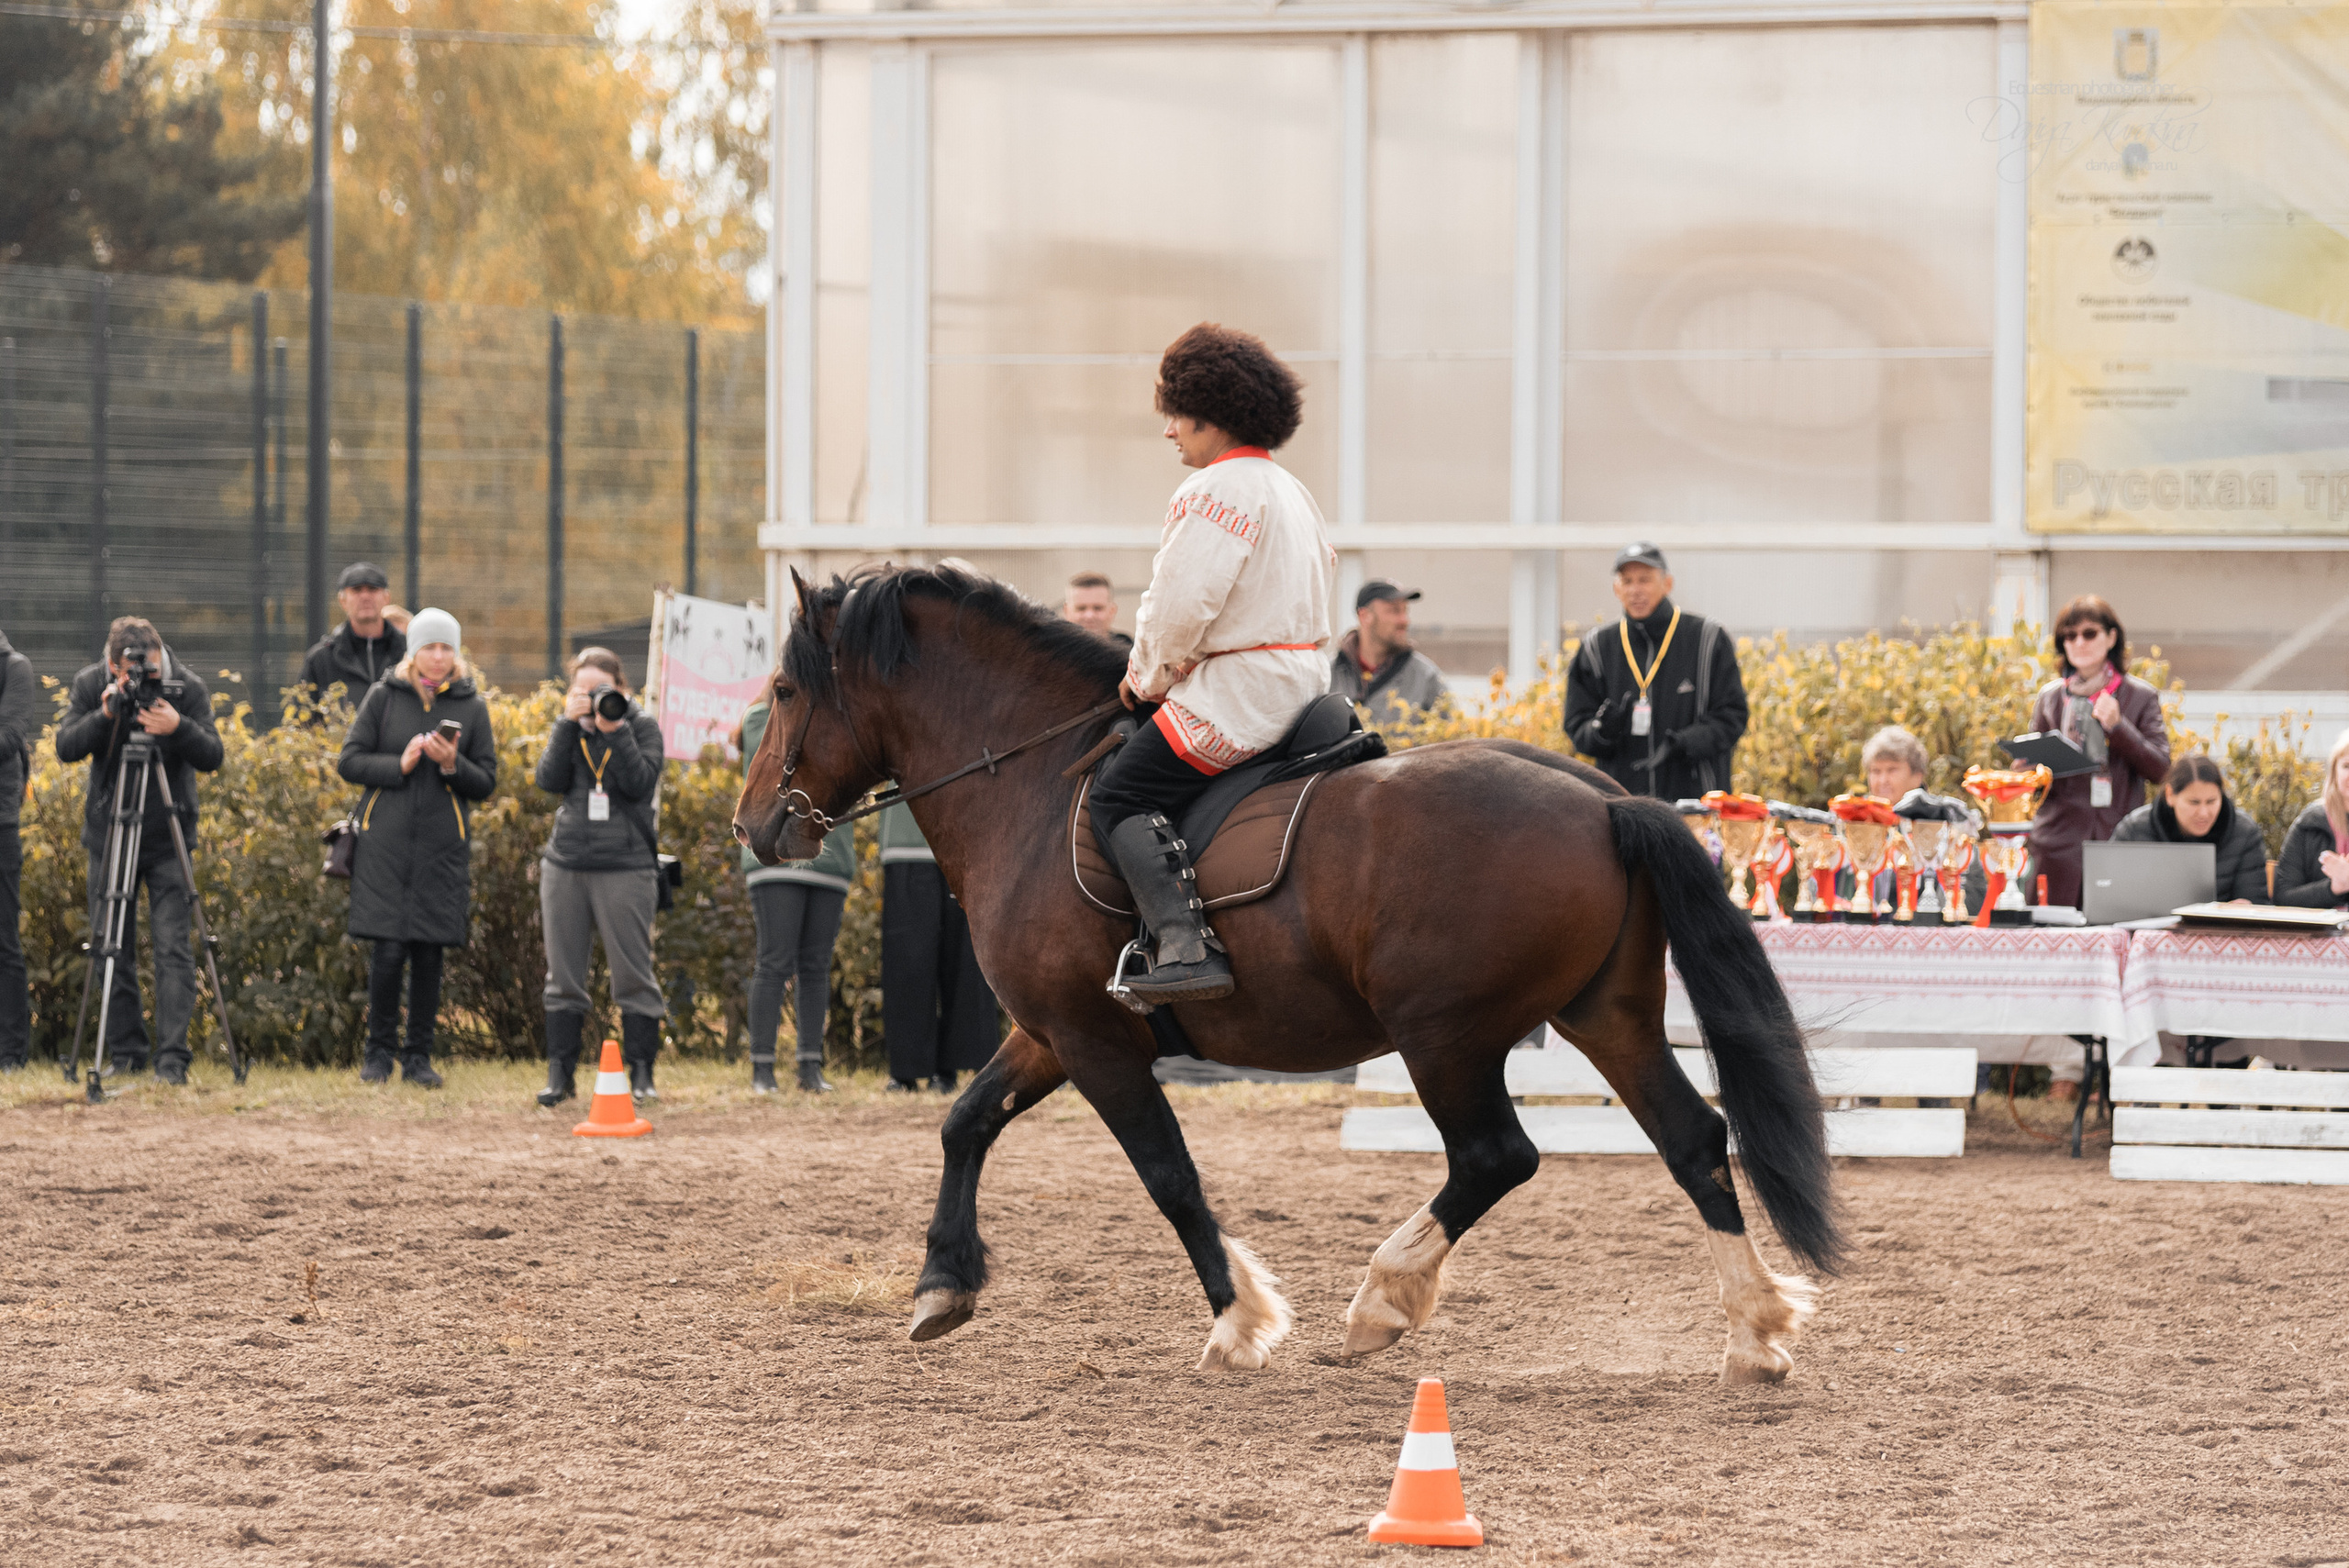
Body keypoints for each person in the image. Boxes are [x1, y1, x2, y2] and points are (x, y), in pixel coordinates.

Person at [1091, 321, 1336, 1004]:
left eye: (1175, 414)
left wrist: (1142, 681)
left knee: (1117, 793)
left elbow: (1177, 610)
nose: (1169, 430)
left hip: (1240, 694)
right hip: (1304, 682)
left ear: (1210, 412)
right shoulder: (1291, 489)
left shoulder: (1212, 491)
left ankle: (1183, 944)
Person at [51, 617, 223, 1083]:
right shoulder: (93, 684)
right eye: (123, 672)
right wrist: (105, 714)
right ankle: (127, 1054)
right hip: (110, 836)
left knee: (172, 949)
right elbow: (65, 746)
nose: (135, 680)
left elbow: (212, 755)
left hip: (168, 837)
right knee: (112, 948)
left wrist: (177, 725)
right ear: (111, 665)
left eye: (143, 669)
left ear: (159, 655)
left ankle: (172, 1060)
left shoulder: (186, 686)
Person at [336, 609, 496, 1088]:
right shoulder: (384, 697)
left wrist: (452, 765)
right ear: (414, 651)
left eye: (447, 648)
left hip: (441, 851)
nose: (439, 656)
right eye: (430, 646)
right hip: (383, 847)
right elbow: (350, 760)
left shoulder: (473, 706)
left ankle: (419, 1058)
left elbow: (486, 781)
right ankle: (378, 1056)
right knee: (386, 953)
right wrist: (398, 763)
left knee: (429, 955)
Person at [533, 648, 666, 1106]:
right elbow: (548, 780)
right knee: (563, 975)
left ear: (622, 690)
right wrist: (567, 726)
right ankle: (560, 1076)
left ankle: (643, 1073)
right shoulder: (570, 728)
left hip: (626, 866)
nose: (593, 700)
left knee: (633, 973)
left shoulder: (642, 726)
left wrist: (616, 732)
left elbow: (640, 783)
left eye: (601, 691)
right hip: (566, 862)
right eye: (582, 692)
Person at [1564, 543, 1748, 801]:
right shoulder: (1597, 647)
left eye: (1645, 580)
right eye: (1627, 581)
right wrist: (1601, 731)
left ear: (1668, 583)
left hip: (1694, 806)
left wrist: (1683, 743)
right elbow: (1576, 726)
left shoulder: (1707, 638)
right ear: (1617, 589)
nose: (1635, 590)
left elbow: (1733, 717)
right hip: (1622, 808)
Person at [2023, 595, 2170, 910]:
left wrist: (2119, 727)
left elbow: (2162, 770)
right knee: (2051, 944)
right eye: (2069, 635)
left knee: (2111, 939)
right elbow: (2027, 772)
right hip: (2056, 842)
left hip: (2115, 839)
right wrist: (2028, 766)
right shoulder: (2049, 697)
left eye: (2089, 633)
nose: (2079, 642)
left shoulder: (2139, 696)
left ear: (2111, 636)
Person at [738, 691, 852, 1094]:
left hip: (830, 861)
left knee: (817, 966)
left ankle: (809, 1067)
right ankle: (762, 1070)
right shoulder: (759, 719)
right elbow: (776, 757)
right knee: (775, 961)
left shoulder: (842, 719)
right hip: (775, 861)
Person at [879, 800, 998, 1093]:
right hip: (905, 844)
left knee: (964, 960)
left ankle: (951, 1069)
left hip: (965, 844)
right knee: (907, 962)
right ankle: (905, 1070)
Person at [1857, 725, 1986, 912]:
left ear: (1917, 776)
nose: (1882, 780)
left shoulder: (1945, 820)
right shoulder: (1859, 822)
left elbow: (1972, 899)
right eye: (1876, 771)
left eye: (1892, 770)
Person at [2111, 754, 2268, 904]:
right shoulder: (2134, 829)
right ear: (2170, 795)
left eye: (2211, 801)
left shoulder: (2244, 832)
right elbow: (2109, 895)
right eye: (2194, 802)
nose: (2204, 813)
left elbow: (2256, 900)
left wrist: (2244, 908)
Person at [1330, 580, 1448, 728]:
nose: (1405, 620)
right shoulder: (1328, 675)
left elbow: (1450, 742)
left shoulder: (1426, 677)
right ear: (1365, 616)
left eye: (1405, 611)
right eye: (1394, 611)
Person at [300, 562, 411, 710]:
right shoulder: (321, 659)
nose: (365, 596)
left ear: (386, 597)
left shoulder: (410, 653)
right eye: (356, 590)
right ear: (342, 600)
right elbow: (302, 721)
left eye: (373, 589)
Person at [0, 626, 33, 1070]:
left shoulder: (14, 668)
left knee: (4, 942)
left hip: (1, 822)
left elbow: (9, 737)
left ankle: (11, 1054)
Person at [2274, 728, 2349, 909]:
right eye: (2347, 766)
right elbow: (2283, 897)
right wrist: (2334, 888)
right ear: (2334, 771)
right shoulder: (2310, 823)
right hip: (2319, 935)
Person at [1063, 572, 1132, 652]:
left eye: (1098, 608)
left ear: (1112, 611)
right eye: (1081, 608)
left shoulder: (1131, 654)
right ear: (1066, 611)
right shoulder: (1053, 655)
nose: (1089, 616)